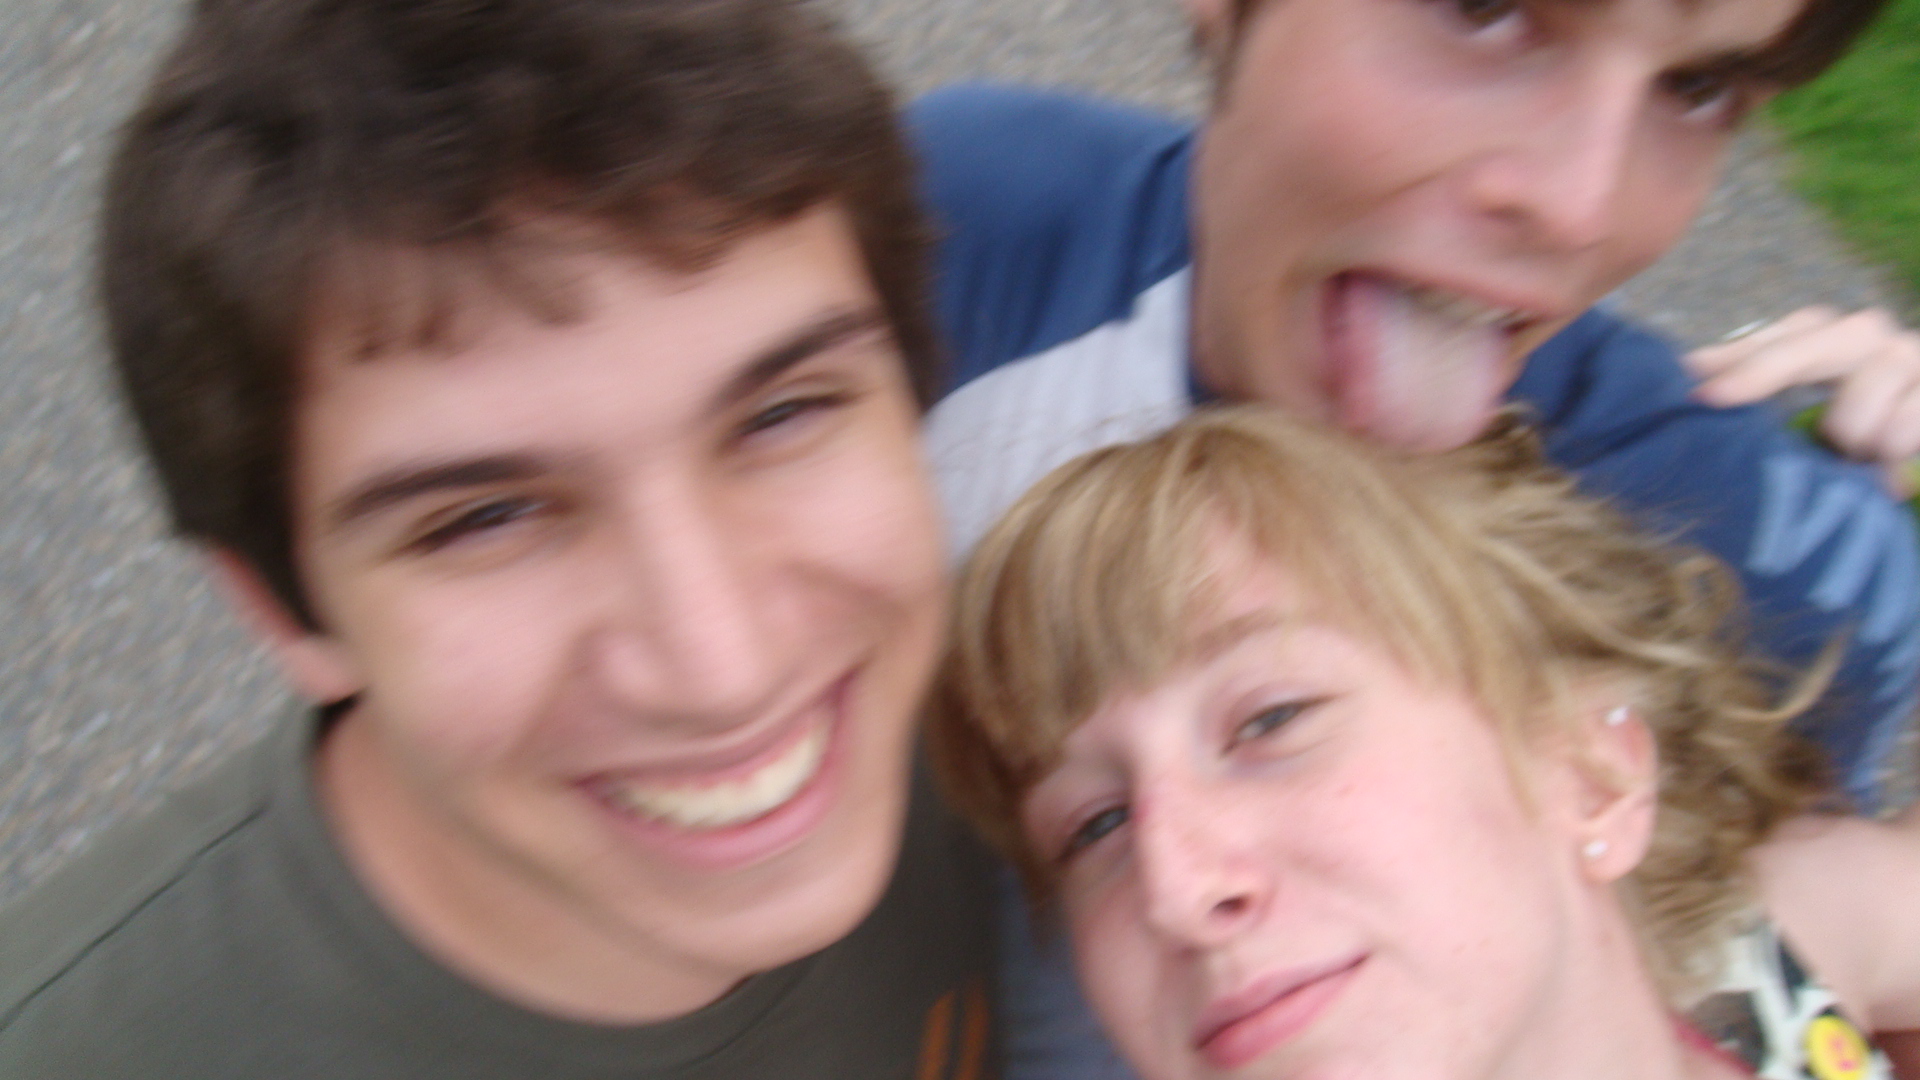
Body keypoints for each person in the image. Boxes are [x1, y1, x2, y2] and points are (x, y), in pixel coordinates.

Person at [0, 0, 1000, 1074]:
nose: (723, 671)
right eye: (485, 519)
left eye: (782, 416)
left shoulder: (1048, 744)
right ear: (282, 610)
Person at [908, 0, 1920, 810]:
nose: (1580, 206)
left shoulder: (1752, 551)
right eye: (1487, 11)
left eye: (1697, 86)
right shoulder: (966, 223)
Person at [930, 407, 1920, 1080]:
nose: (1176, 891)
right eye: (1093, 824)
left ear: (1591, 772)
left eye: (1272, 721)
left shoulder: (1776, 945)